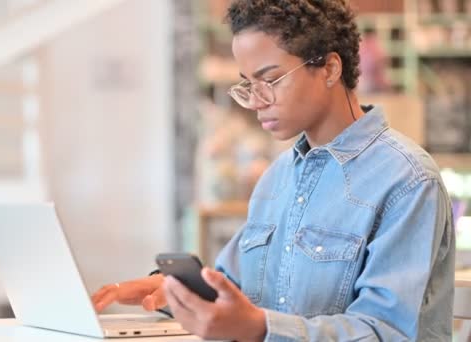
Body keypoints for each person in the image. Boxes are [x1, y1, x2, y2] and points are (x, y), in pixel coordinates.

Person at [91, 0, 455, 340]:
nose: (257, 100)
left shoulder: (407, 180)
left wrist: (259, 328)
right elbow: (235, 289)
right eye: (249, 84)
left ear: (329, 68)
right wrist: (176, 293)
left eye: (272, 79)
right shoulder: (277, 178)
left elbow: (386, 331)